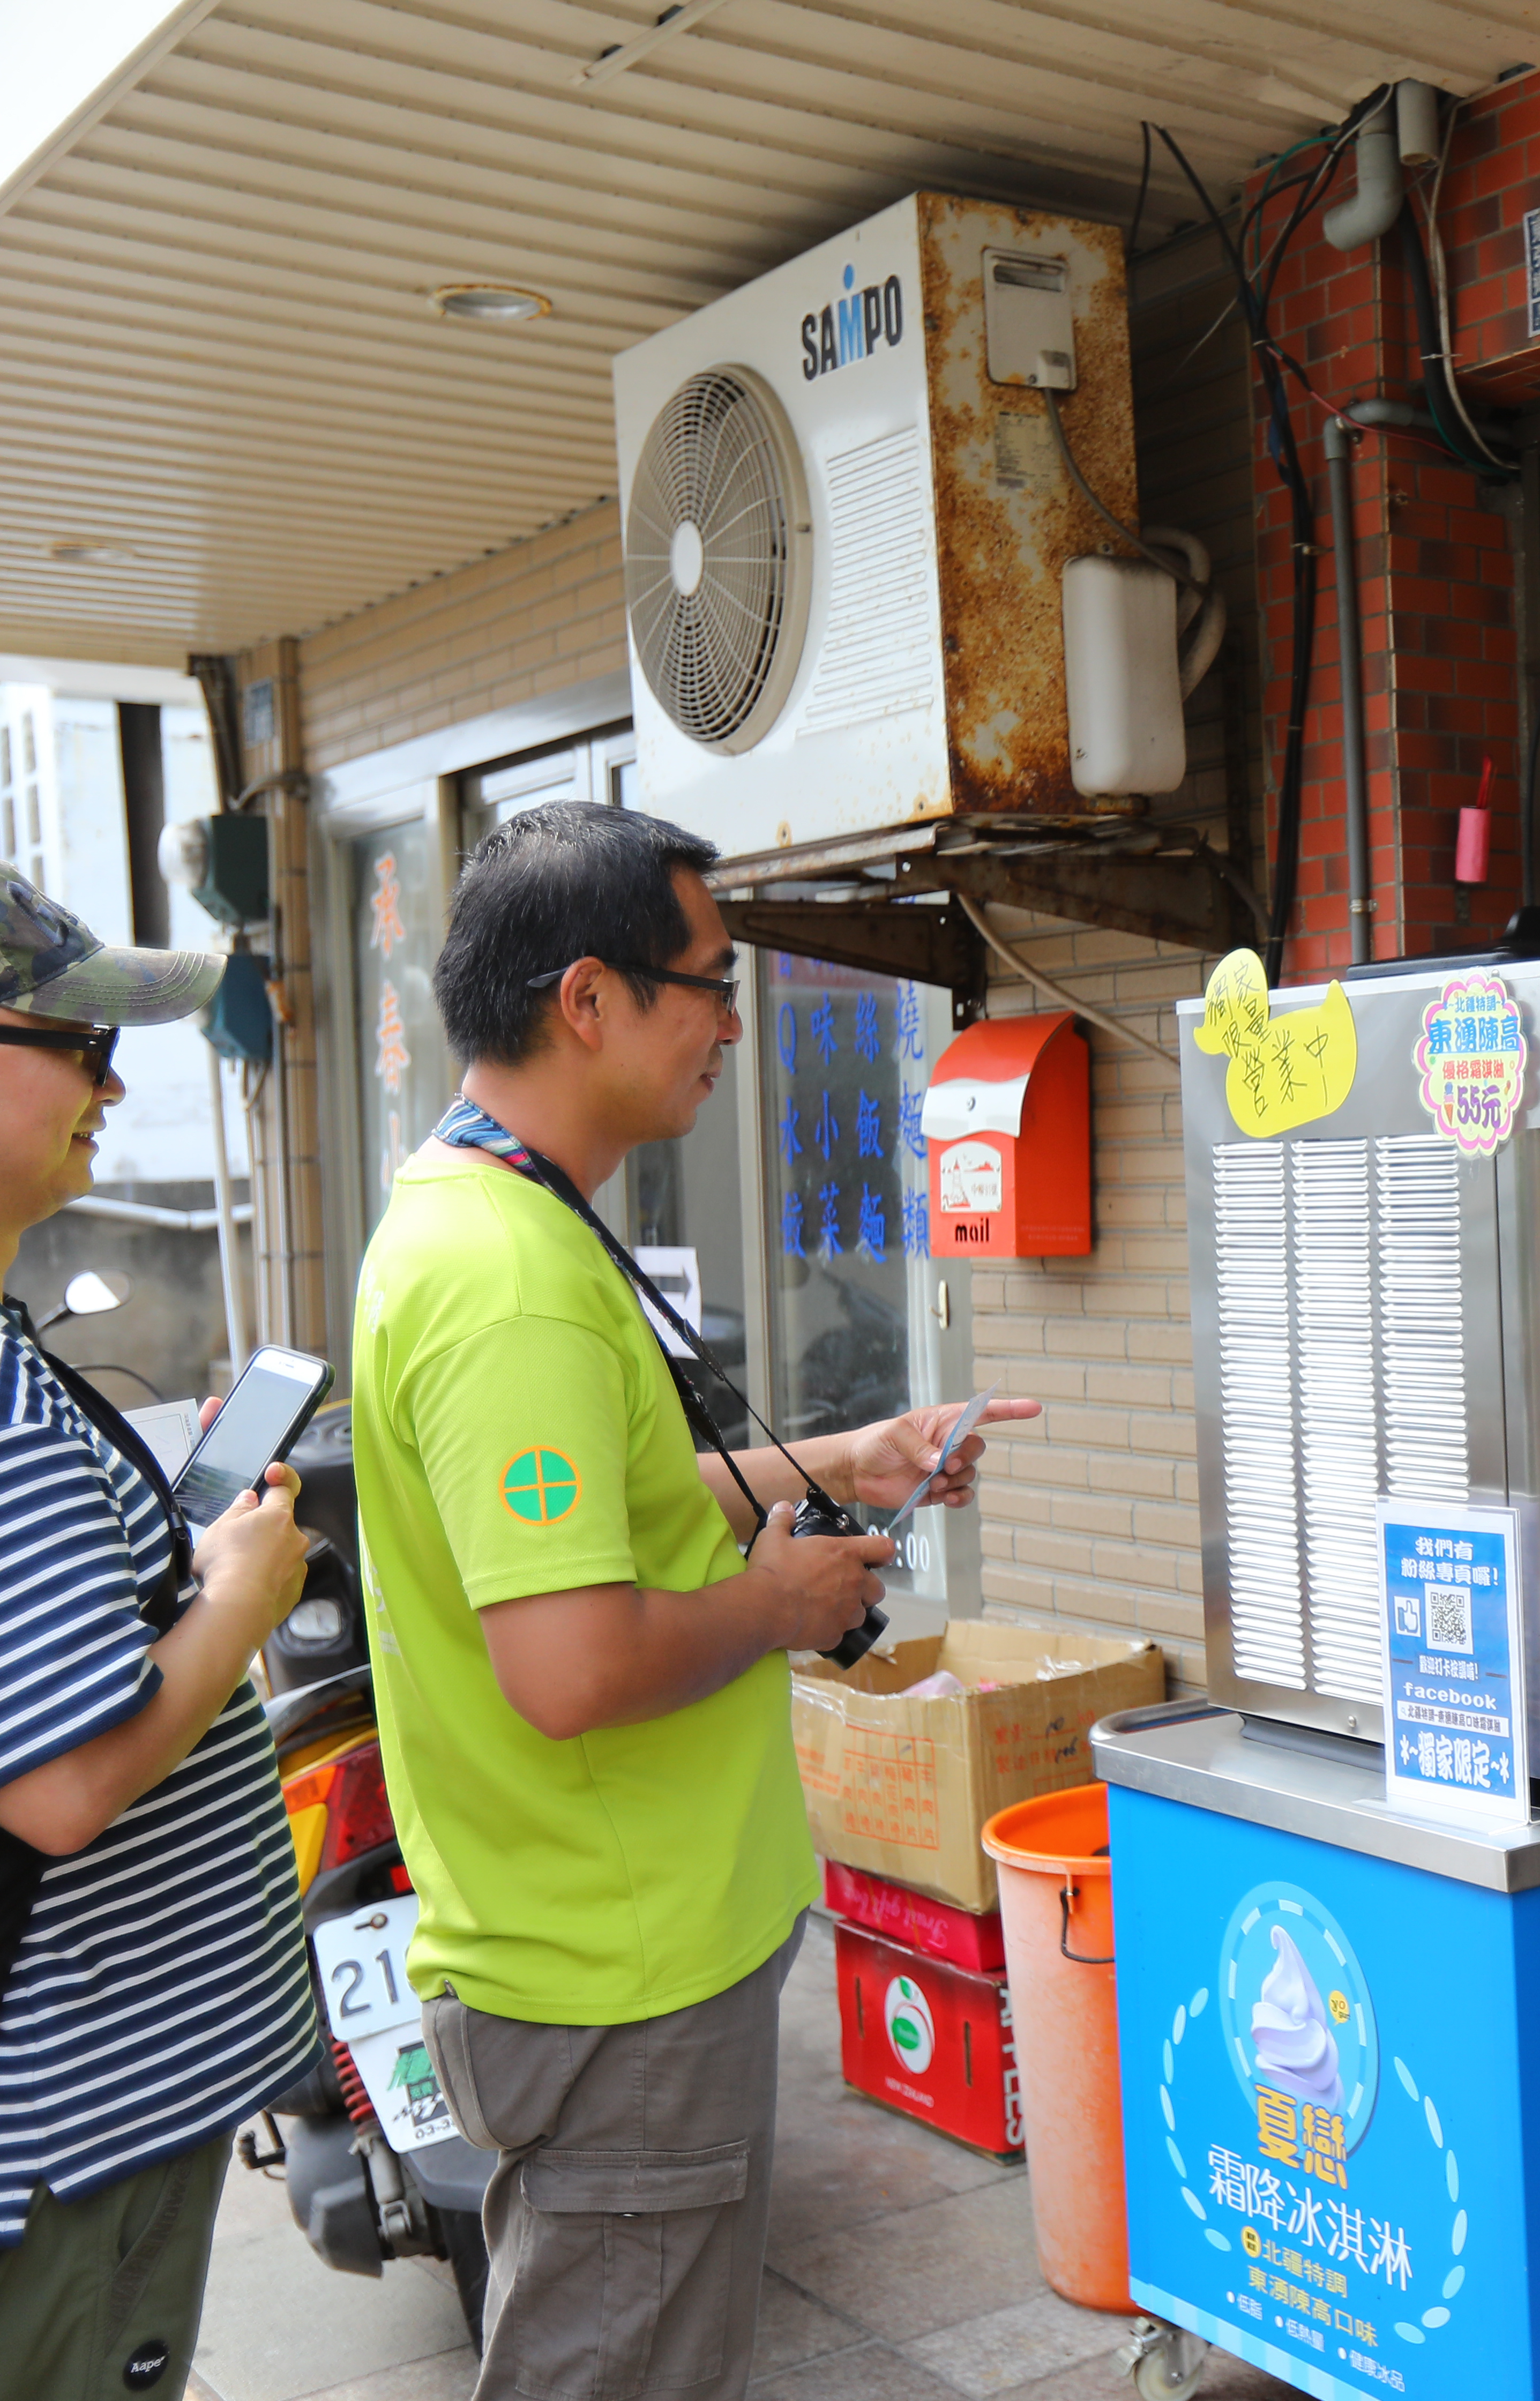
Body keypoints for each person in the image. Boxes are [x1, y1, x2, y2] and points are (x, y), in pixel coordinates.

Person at [353, 804, 1033, 2400]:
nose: (736, 1021)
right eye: (710, 981)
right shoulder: (511, 1278)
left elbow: (604, 1520)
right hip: (617, 1972)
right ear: (587, 1000)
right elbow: (574, 1659)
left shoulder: (480, 1212)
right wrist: (783, 1607)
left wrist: (848, 1455)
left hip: (605, 1947)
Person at [0, 851, 315, 2399]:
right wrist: (240, 1596)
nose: (108, 1087)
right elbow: (58, 1788)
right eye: (75, 1046)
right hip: (29, 2164)